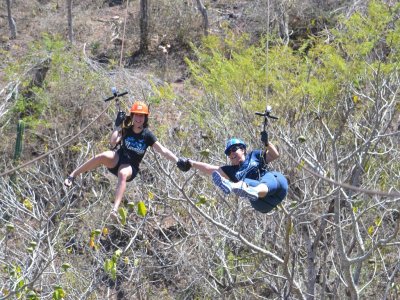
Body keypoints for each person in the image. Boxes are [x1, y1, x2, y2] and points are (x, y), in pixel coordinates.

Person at [64, 101, 179, 219]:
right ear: (132, 116)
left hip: (131, 166)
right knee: (102, 156)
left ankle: (114, 209)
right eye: (137, 115)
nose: (139, 118)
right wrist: (117, 125)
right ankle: (73, 175)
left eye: (142, 116)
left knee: (123, 173)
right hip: (118, 158)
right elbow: (113, 141)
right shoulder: (127, 129)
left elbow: (163, 151)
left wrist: (177, 160)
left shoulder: (147, 135)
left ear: (145, 118)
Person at [180, 133, 288, 213]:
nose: (231, 153)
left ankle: (238, 187)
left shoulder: (254, 156)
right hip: (261, 204)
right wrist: (190, 162)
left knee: (272, 176)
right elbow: (209, 168)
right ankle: (245, 188)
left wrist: (267, 143)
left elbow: (275, 155)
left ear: (243, 149)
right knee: (245, 182)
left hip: (276, 188)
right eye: (228, 152)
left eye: (234, 149)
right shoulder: (230, 171)